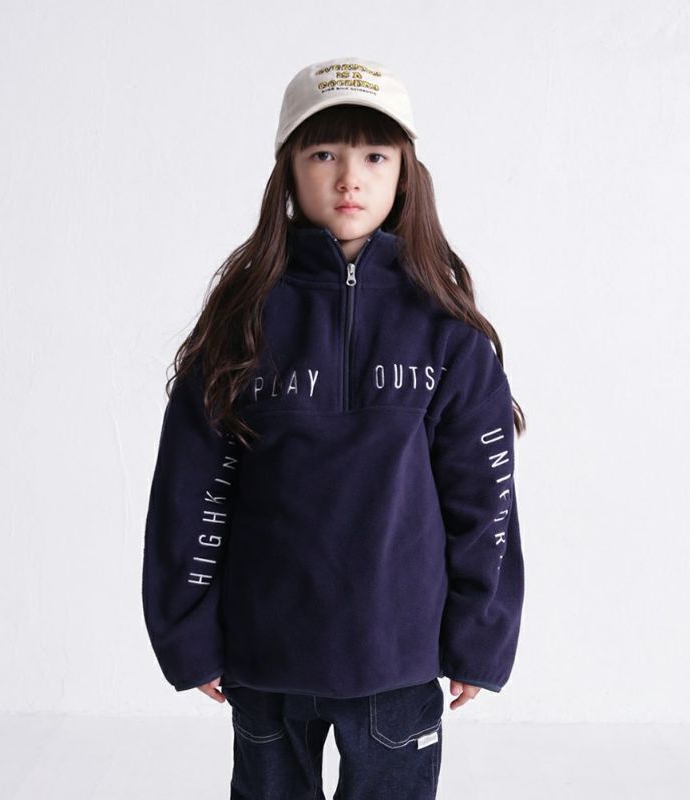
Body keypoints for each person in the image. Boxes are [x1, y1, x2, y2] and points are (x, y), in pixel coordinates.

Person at [141, 55, 526, 800]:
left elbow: (485, 502)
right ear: (287, 171)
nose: (350, 178)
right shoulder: (241, 326)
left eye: (375, 156)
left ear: (405, 176)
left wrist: (480, 635)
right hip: (265, 657)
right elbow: (191, 491)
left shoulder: (447, 336)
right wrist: (188, 631)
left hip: (398, 662)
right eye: (323, 154)